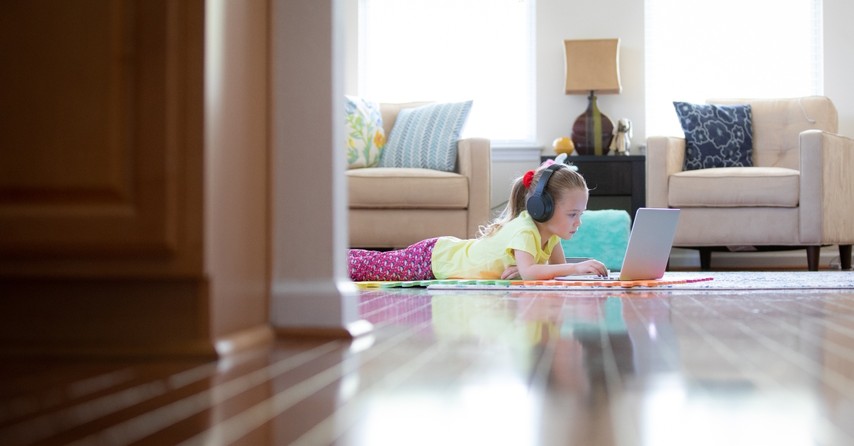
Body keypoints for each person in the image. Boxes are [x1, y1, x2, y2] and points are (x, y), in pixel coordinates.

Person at [348, 155, 608, 281]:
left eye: (580, 214)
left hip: (443, 257)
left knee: (375, 265)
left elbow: (549, 274)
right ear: (543, 207)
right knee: (372, 267)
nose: (578, 222)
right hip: (433, 260)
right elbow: (532, 273)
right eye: (572, 214)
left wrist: (582, 271)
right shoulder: (526, 230)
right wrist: (576, 267)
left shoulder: (549, 237)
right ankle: (331, 262)